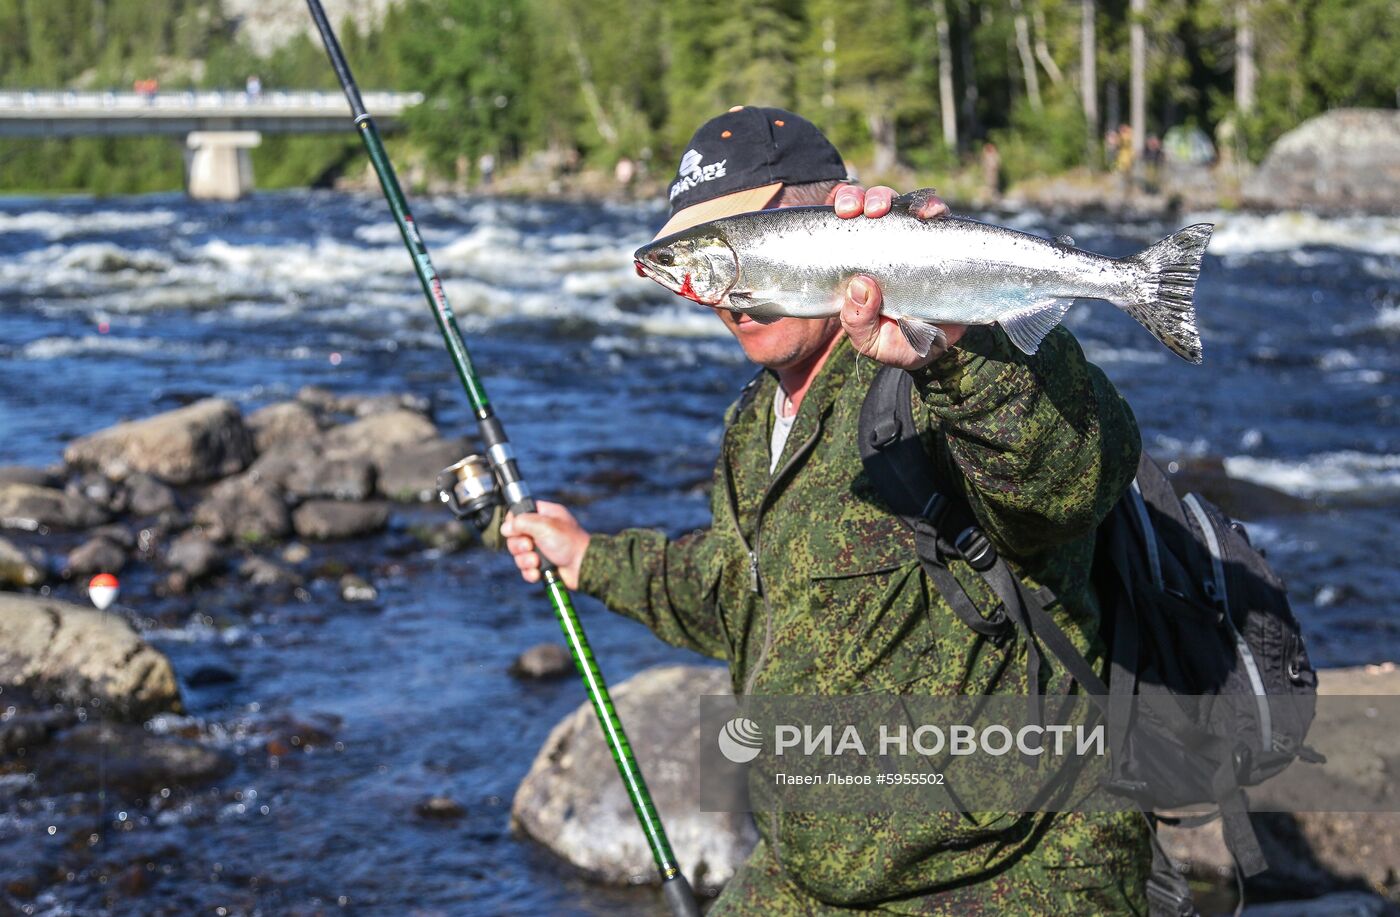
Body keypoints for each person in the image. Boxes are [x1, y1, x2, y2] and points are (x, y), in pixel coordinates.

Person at [502, 106, 1149, 914]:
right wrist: (585, 555)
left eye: (743, 238)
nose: (722, 290)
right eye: (705, 254)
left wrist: (958, 339)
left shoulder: (941, 371)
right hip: (808, 871)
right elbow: (743, 589)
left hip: (1008, 874)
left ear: (824, 218)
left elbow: (1071, 479)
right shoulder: (754, 422)